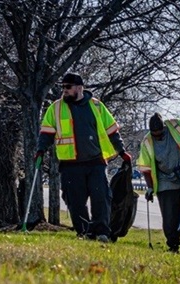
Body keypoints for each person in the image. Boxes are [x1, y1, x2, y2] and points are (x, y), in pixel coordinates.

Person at [36, 73, 132, 243]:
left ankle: (102, 232)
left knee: (101, 197)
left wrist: (122, 151)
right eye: (63, 87)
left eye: (68, 87)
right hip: (70, 165)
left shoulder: (97, 106)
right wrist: (40, 149)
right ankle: (84, 232)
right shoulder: (56, 108)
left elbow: (112, 131)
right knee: (75, 201)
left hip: (96, 162)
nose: (64, 90)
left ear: (80, 88)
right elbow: (46, 133)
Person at [136, 113, 180, 253]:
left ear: (164, 127)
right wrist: (150, 188)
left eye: (160, 133)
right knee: (169, 216)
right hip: (164, 179)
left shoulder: (177, 126)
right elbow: (146, 168)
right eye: (154, 135)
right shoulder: (147, 142)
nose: (158, 137)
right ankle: (173, 244)